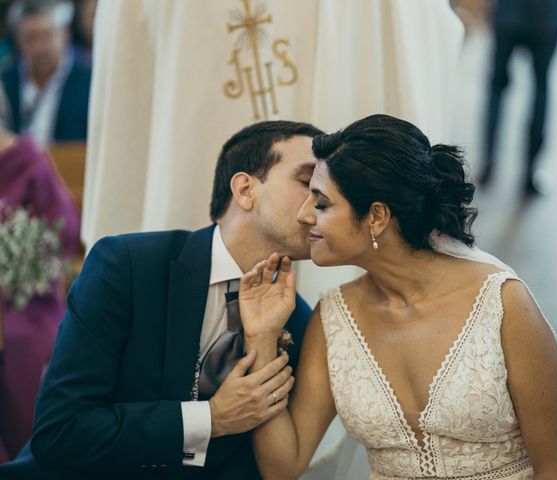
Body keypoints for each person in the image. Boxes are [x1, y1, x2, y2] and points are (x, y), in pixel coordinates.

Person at [239, 114, 557, 479]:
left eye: (321, 203)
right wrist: (263, 338)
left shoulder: (502, 305)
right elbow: (282, 466)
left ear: (376, 216)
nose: (303, 215)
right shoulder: (332, 317)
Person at [0, 120, 323, 478]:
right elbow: (60, 432)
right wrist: (210, 419)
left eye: (325, 192)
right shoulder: (127, 266)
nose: (318, 203)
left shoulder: (297, 322)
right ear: (245, 189)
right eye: (307, 183)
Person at [0, 126, 80, 464]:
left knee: (24, 345)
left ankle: (35, 459)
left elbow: (64, 233)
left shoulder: (27, 159)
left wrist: (15, 269)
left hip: (23, 299)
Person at [481, 0, 557, 194]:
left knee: (497, 88)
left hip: (509, 12)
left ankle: (488, 162)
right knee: (540, 90)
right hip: (546, 14)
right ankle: (529, 172)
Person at [1, 0, 91, 146]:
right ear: (18, 39)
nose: (39, 47)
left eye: (46, 36)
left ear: (65, 33)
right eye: (30, 37)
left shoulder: (87, 83)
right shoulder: (6, 82)